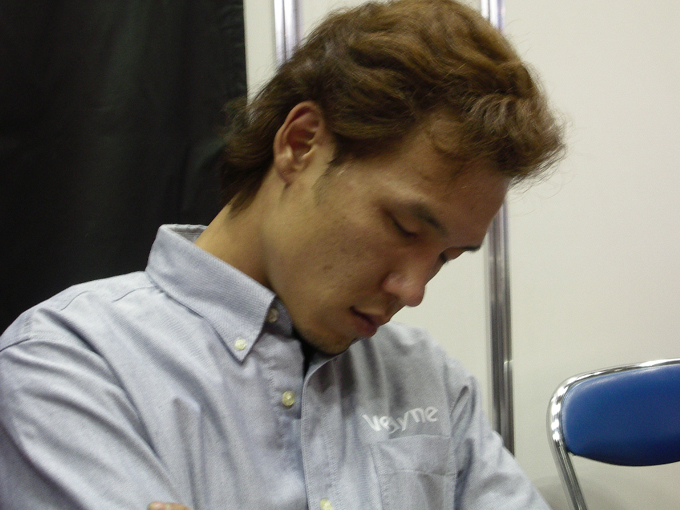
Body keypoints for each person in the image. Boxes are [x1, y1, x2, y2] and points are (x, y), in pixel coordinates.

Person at [0, 0, 564, 509]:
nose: (413, 291)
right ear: (301, 143)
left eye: (446, 258)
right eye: (404, 226)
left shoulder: (428, 380)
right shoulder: (68, 365)